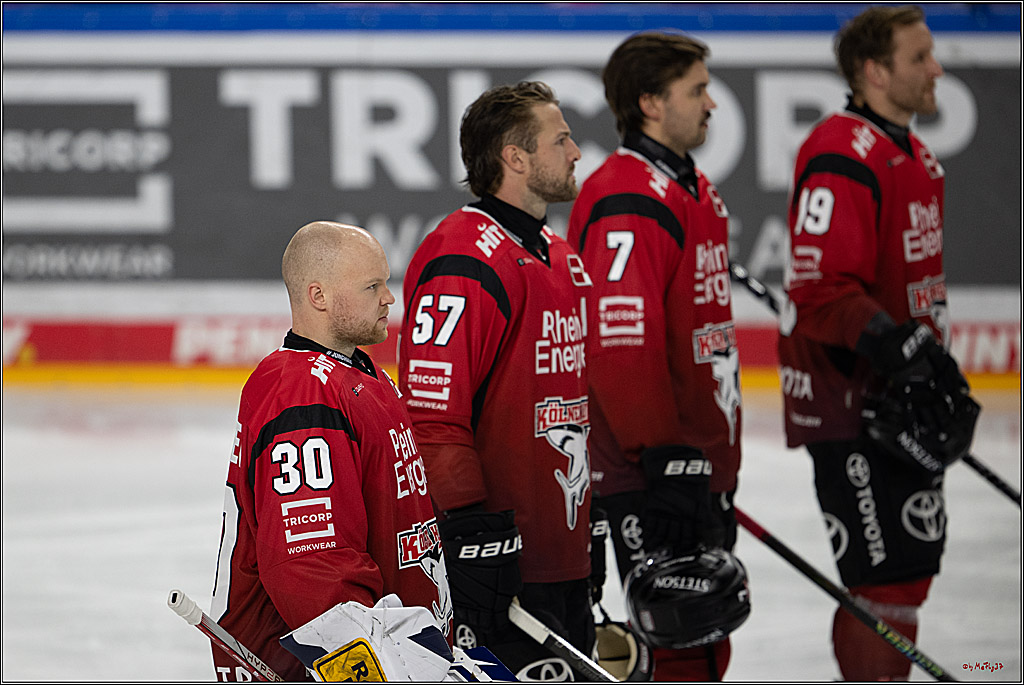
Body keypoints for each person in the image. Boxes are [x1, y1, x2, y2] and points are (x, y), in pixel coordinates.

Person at [778, 6, 979, 680]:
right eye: (919, 56)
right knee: (884, 584)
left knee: (906, 576)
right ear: (874, 70)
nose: (937, 68)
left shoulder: (909, 150)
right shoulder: (843, 149)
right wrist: (907, 350)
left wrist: (926, 364)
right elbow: (821, 288)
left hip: (899, 395)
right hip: (856, 403)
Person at [398, 81, 595, 680]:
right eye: (560, 139)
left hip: (561, 548)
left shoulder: (559, 254)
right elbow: (432, 417)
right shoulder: (462, 256)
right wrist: (467, 540)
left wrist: (596, 517)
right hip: (501, 562)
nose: (576, 152)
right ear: (516, 157)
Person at [567, 32, 749, 681]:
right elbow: (619, 343)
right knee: (679, 635)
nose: (711, 105)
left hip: (694, 457)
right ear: (649, 102)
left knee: (706, 631)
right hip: (654, 465)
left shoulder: (688, 184)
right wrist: (663, 452)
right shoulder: (626, 197)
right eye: (697, 90)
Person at [209, 221, 452, 681]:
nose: (389, 297)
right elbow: (313, 564)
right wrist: (378, 667)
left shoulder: (363, 375)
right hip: (324, 668)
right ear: (318, 296)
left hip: (395, 651)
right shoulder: (300, 392)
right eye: (372, 286)